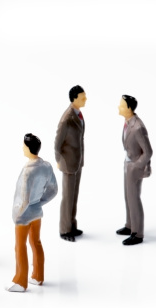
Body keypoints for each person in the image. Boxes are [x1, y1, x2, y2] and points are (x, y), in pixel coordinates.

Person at [6, 134, 57, 292]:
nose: (22, 148)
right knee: (36, 242)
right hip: (37, 212)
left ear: (29, 148)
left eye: (23, 145)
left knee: (20, 246)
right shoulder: (46, 166)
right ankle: (38, 276)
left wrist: (17, 214)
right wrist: (40, 203)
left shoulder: (28, 171)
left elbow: (24, 197)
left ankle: (21, 282)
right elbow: (53, 190)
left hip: (24, 215)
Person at [116, 95, 152, 245]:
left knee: (134, 199)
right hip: (127, 163)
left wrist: (137, 165)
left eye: (122, 105)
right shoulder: (127, 123)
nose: (119, 107)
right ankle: (130, 225)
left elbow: (148, 151)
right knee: (127, 197)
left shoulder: (138, 127)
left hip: (134, 167)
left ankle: (137, 233)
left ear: (129, 108)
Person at [54, 85, 86, 242]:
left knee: (74, 195)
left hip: (77, 162)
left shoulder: (78, 114)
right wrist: (59, 161)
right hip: (68, 163)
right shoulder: (67, 119)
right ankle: (65, 230)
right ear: (74, 99)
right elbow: (57, 143)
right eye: (82, 98)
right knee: (67, 197)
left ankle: (72, 225)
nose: (85, 100)